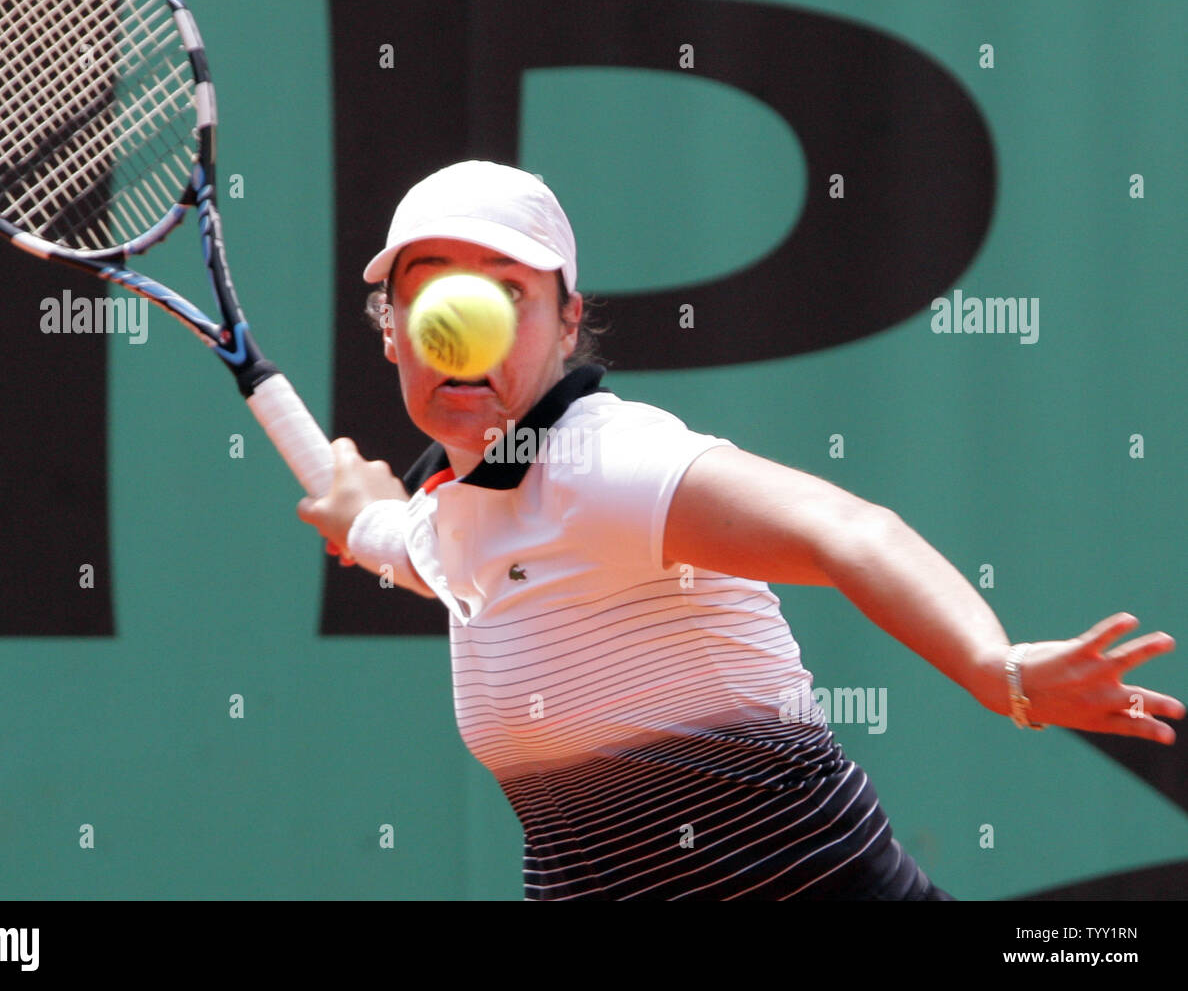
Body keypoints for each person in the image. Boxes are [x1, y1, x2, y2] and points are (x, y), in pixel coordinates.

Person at [298, 160, 1183, 900]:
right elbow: (425, 544)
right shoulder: (458, 509)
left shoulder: (605, 465)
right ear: (394, 334)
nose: (466, 334)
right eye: (435, 299)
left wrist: (1001, 671)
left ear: (568, 321)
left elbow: (847, 530)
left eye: (505, 296)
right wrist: (363, 517)